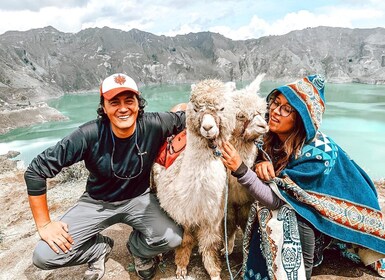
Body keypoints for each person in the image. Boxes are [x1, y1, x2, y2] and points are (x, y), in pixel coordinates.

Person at [221, 74, 385, 280]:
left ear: (302, 118)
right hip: (311, 207)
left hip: (333, 213)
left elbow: (276, 200)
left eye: (286, 109)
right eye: (275, 103)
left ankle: (299, 270)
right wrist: (261, 161)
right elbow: (264, 157)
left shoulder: (317, 156)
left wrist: (241, 170)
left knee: (291, 214)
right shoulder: (270, 137)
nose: (275, 112)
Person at [24, 73, 186, 280]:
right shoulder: (88, 135)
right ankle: (98, 249)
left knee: (173, 238)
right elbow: (36, 170)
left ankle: (139, 250)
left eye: (129, 100)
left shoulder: (155, 124)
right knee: (44, 257)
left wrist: (187, 106)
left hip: (140, 199)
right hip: (97, 202)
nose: (123, 108)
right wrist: (45, 224)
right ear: (104, 107)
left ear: (138, 103)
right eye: (114, 102)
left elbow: (189, 116)